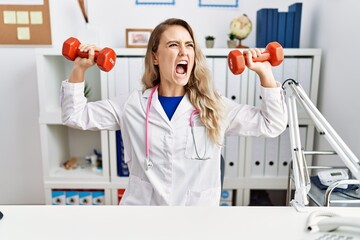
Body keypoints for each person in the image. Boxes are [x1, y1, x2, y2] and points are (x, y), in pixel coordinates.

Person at [61, 18, 288, 206]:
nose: (184, 52)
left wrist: (265, 73)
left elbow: (272, 124)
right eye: (173, 45)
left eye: (189, 45)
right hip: (141, 219)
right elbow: (74, 115)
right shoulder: (132, 106)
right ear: (155, 57)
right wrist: (79, 69)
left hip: (195, 222)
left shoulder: (214, 105)